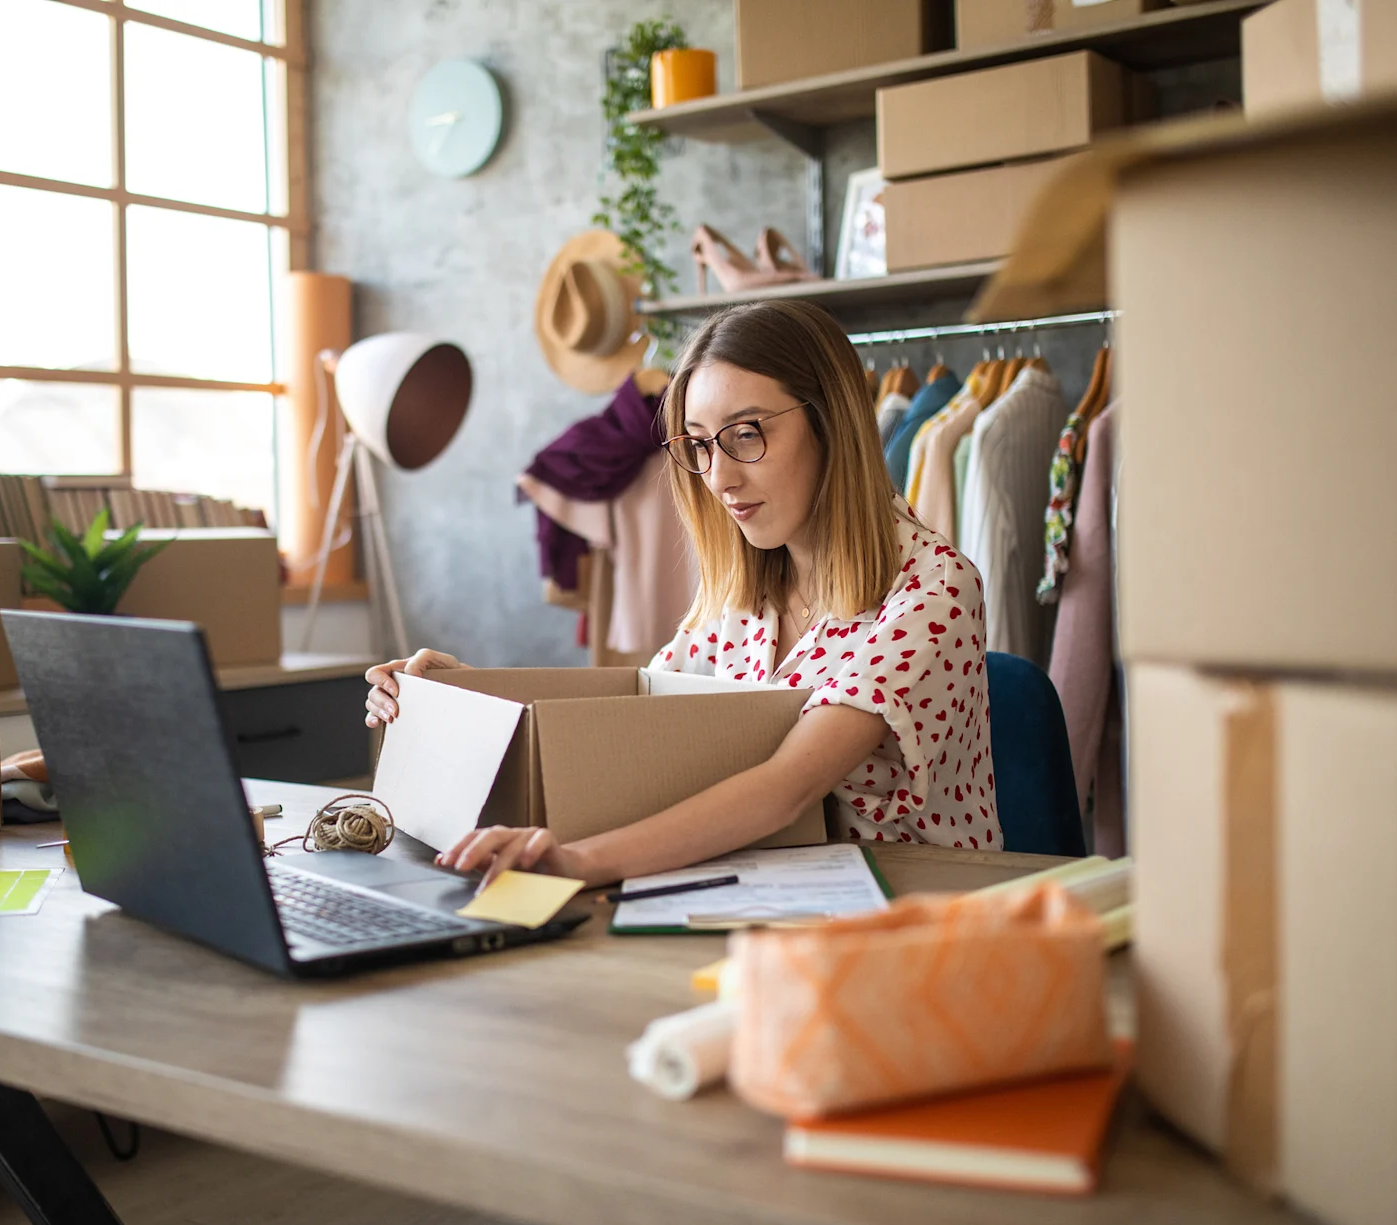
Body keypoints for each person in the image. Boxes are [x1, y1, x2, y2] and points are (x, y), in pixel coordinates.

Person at [364, 300, 1002, 891]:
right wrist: (466, 694)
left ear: (830, 425)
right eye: (698, 444)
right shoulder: (746, 589)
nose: (719, 478)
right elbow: (638, 722)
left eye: (746, 433)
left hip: (915, 908)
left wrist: (577, 861)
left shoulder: (933, 590)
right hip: (769, 892)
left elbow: (786, 789)